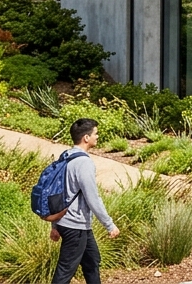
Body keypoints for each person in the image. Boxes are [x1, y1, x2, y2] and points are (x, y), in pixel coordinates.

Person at [53, 118, 119, 284]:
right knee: (65, 272)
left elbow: (57, 193)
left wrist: (54, 225)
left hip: (70, 223)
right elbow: (93, 198)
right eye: (95, 133)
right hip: (75, 225)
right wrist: (109, 225)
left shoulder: (65, 157)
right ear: (86, 138)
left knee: (92, 261)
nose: (98, 136)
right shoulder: (84, 163)